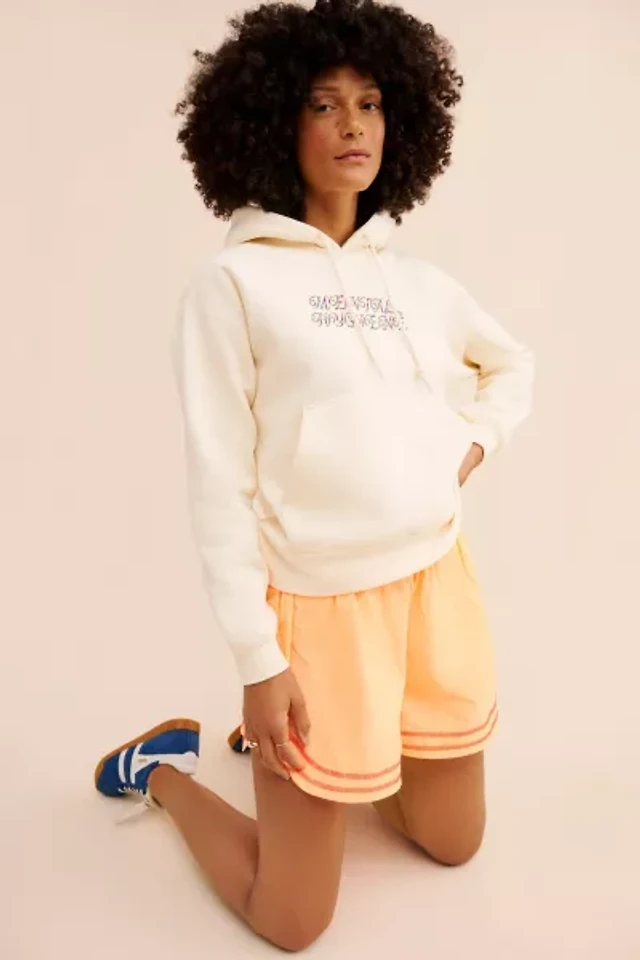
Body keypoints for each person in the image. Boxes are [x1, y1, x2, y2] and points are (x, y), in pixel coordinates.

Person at [94, 0, 534, 952]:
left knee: (455, 843)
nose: (352, 126)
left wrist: (464, 452)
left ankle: (335, 766)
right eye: (324, 104)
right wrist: (261, 663)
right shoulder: (232, 287)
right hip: (317, 612)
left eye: (370, 103)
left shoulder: (416, 284)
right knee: (293, 920)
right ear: (271, 124)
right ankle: (161, 773)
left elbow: (512, 367)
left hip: (432, 590)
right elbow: (220, 485)